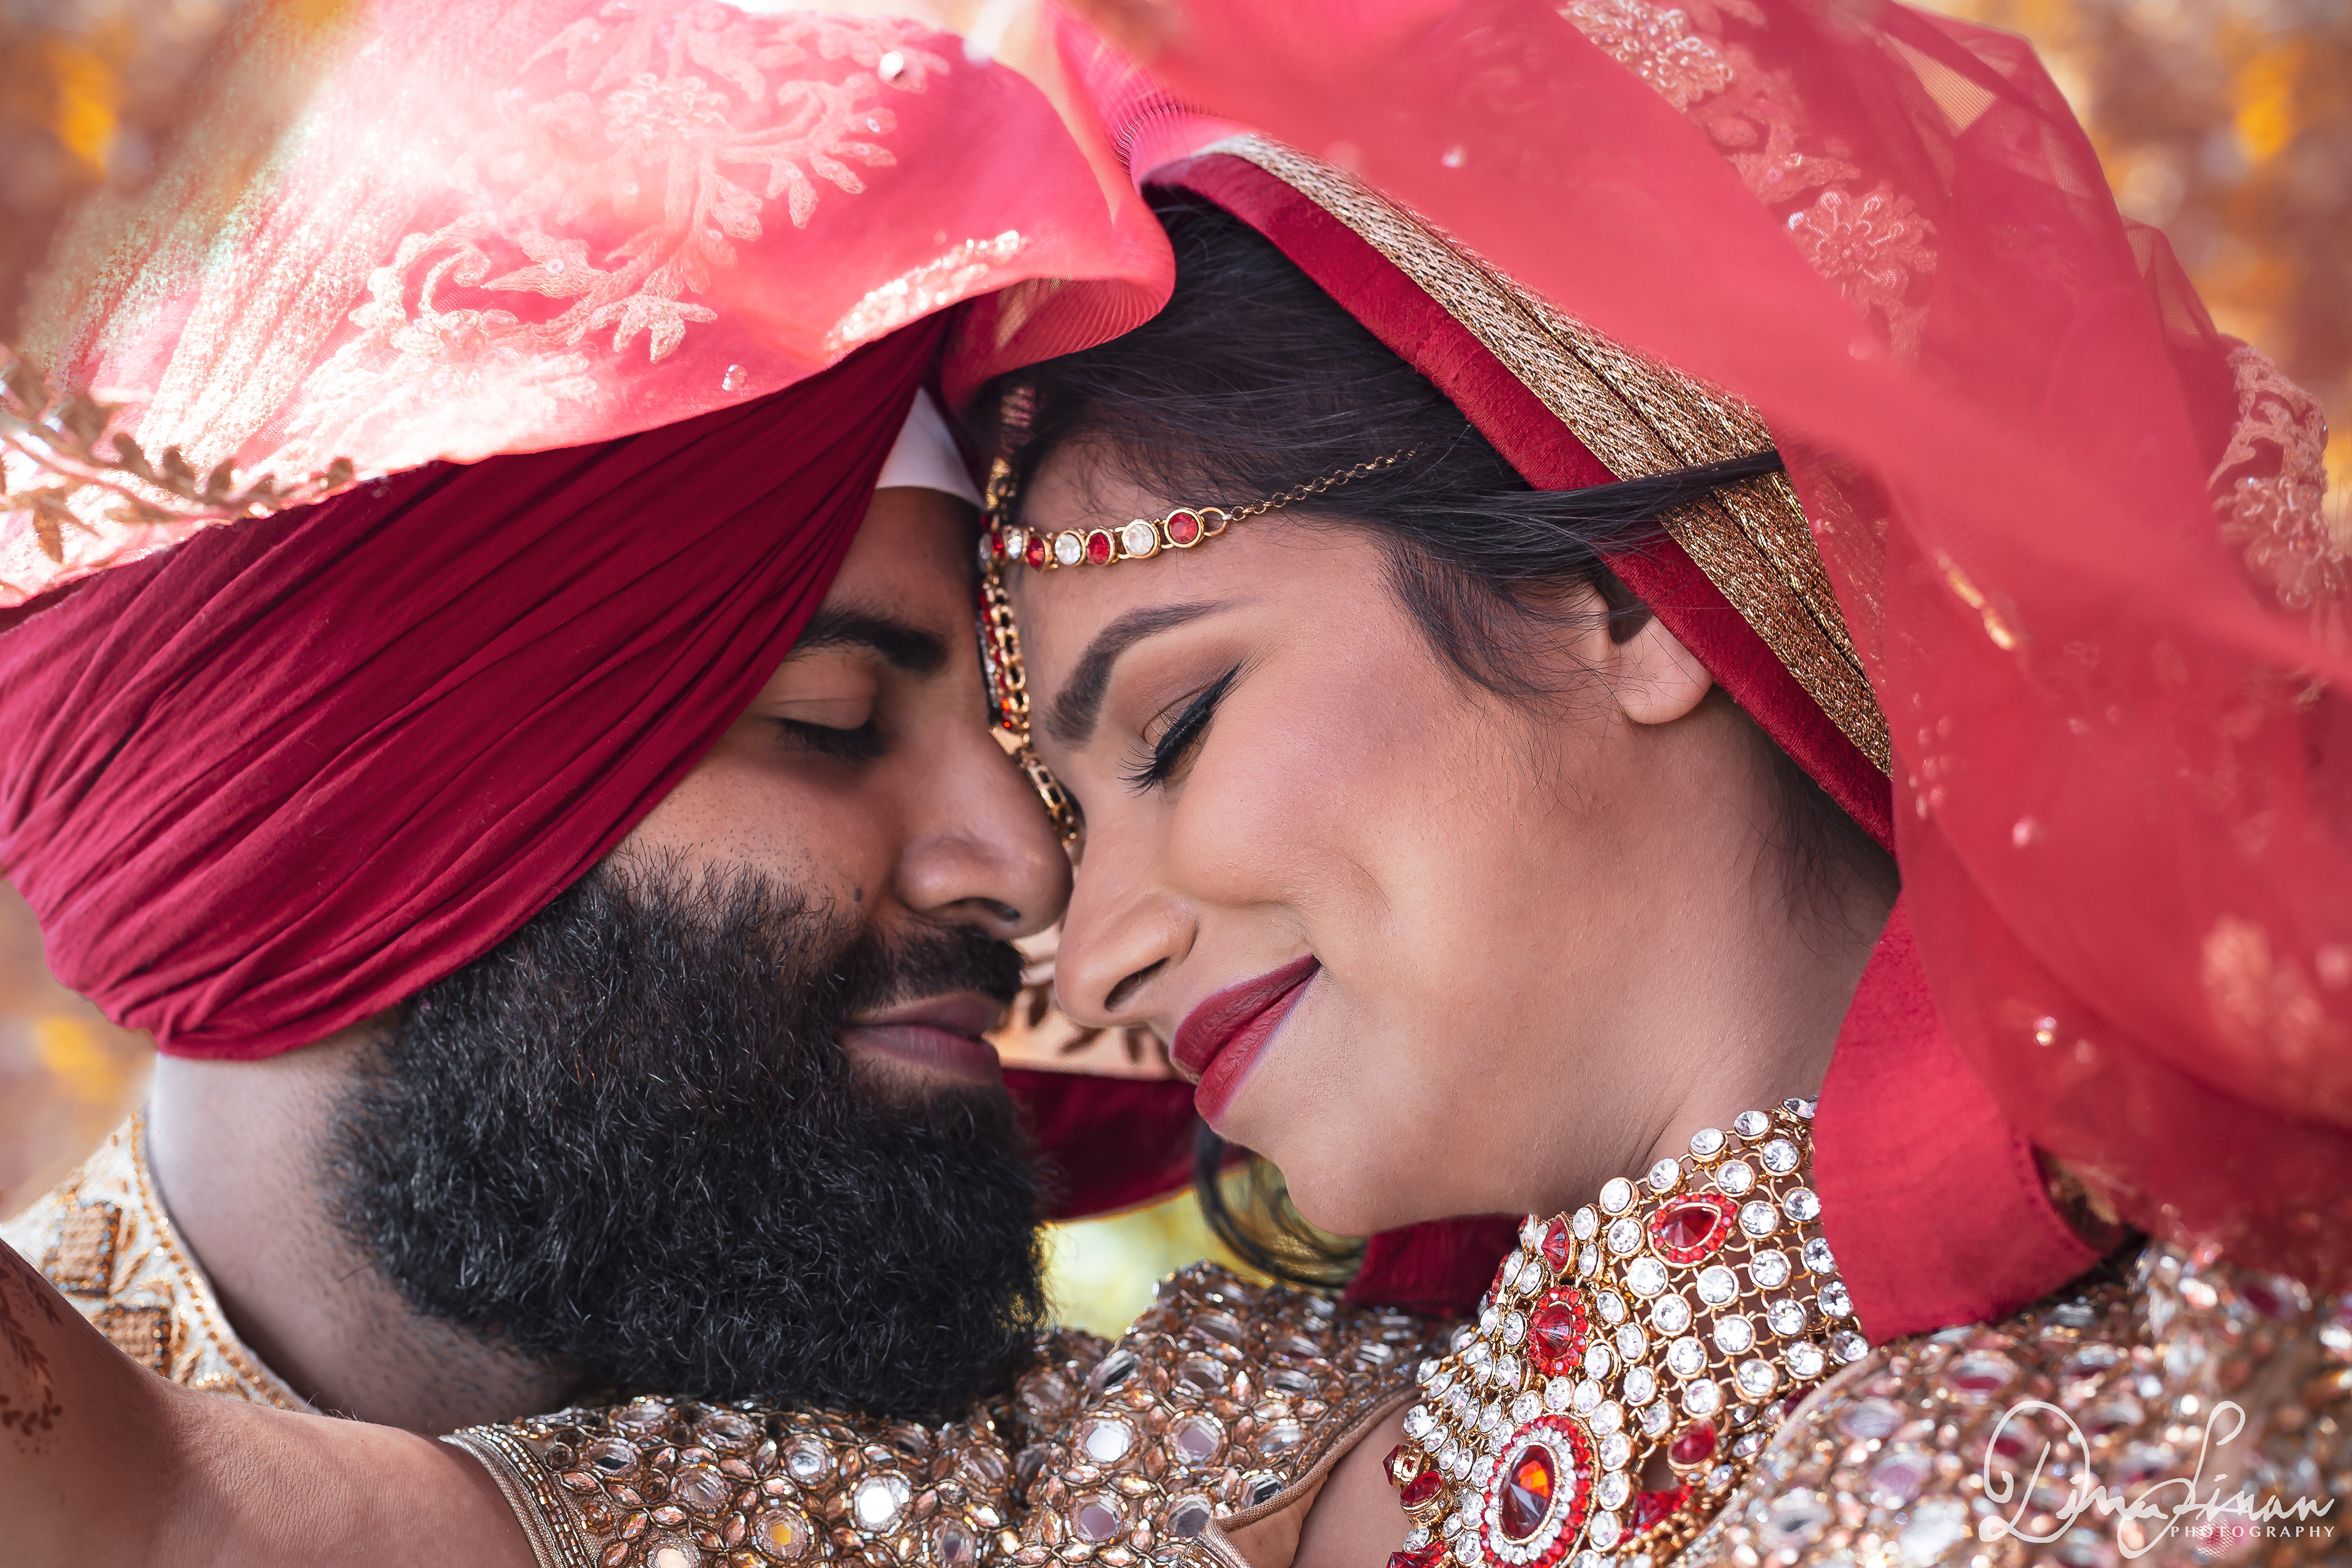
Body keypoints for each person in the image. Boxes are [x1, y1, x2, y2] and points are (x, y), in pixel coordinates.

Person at [10, 1, 2352, 1565]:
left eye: (1170, 721)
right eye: (839, 722)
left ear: (1620, 599)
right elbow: (191, 1518)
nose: (1068, 918)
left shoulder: (2245, 1387)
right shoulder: (1154, 1470)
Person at [0, 0, 1197, 1446]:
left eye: (1015, 741)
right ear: (347, 833)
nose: (1029, 865)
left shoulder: (1140, 1485)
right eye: (831, 719)